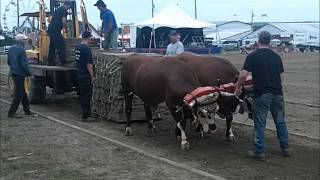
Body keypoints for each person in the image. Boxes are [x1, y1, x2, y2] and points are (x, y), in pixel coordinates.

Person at [235, 31, 290, 161]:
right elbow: (281, 77)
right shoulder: (276, 57)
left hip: (262, 95)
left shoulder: (253, 56)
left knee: (260, 123)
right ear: (269, 41)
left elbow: (243, 75)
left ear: (258, 41)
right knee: (280, 121)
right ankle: (286, 147)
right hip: (277, 93)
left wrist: (239, 88)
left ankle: (259, 151)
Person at [7, 34, 33, 118]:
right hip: (20, 74)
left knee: (23, 93)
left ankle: (27, 111)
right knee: (19, 94)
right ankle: (11, 112)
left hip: (14, 73)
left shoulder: (11, 49)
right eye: (24, 40)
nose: (25, 41)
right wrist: (29, 73)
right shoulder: (21, 50)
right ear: (21, 40)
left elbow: (8, 62)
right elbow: (23, 64)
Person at [75, 31, 96, 122]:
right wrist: (92, 76)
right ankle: (86, 116)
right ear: (88, 38)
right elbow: (89, 64)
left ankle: (86, 113)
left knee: (83, 95)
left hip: (79, 73)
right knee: (87, 95)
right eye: (90, 38)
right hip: (85, 75)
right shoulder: (86, 49)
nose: (91, 40)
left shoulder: (78, 47)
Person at [47, 1, 72, 66]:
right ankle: (63, 62)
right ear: (69, 6)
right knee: (61, 45)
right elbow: (64, 21)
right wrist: (66, 29)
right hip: (55, 30)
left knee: (52, 46)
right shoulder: (64, 10)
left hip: (51, 29)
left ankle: (50, 61)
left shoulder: (58, 9)